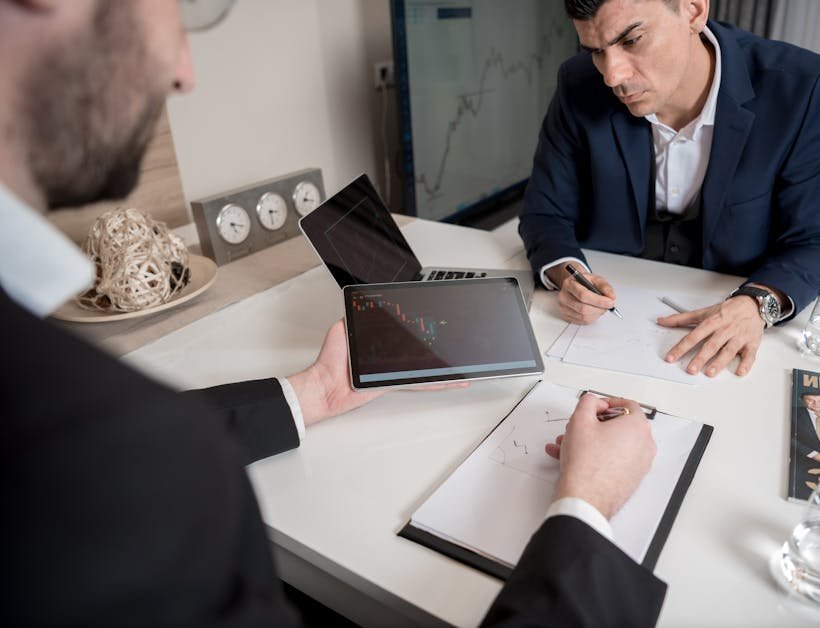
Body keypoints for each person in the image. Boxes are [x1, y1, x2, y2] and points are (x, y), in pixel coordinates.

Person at [0, 1, 664, 625]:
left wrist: (310, 393)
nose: (184, 72)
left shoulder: (102, 435)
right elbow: (131, 458)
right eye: (169, 13)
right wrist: (586, 508)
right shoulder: (92, 452)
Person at [520, 0, 820, 378]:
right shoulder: (579, 83)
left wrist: (757, 304)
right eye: (596, 51)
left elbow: (818, 240)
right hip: (604, 336)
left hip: (733, 328)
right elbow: (545, 212)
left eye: (632, 40)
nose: (612, 76)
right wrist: (570, 275)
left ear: (693, 11)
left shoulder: (802, 87)